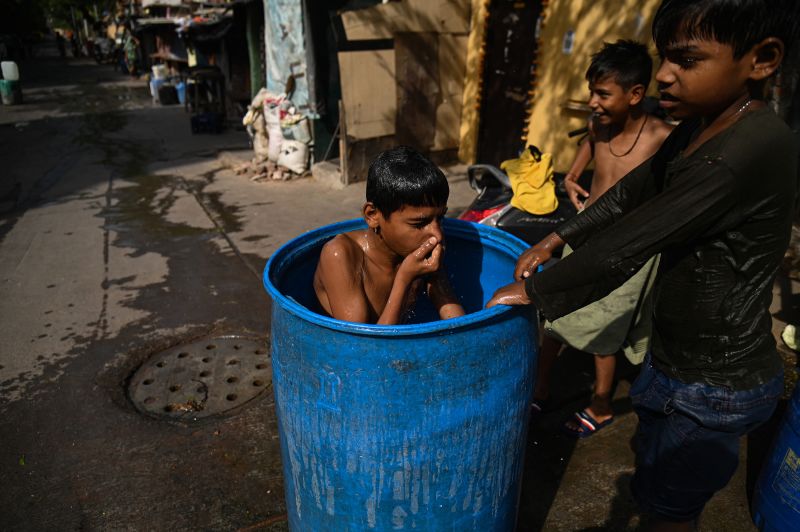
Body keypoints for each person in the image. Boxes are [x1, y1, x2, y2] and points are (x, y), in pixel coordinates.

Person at [488, 0, 798, 528]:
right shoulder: (702, 126)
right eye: (665, 59)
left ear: (762, 59)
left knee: (667, 513)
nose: (667, 77)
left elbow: (635, 236)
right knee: (655, 492)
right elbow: (631, 192)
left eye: (687, 60)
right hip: (676, 359)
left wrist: (539, 292)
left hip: (712, 385)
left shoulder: (744, 150)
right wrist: (558, 235)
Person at [532, 40, 673, 437]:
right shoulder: (598, 127)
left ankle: (601, 403)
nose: (592, 101)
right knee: (556, 316)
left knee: (603, 331)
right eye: (591, 91)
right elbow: (587, 147)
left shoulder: (662, 138)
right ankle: (540, 388)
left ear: (635, 94)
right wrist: (574, 177)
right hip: (585, 236)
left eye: (602, 93)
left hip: (628, 252)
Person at [314, 146, 465, 325]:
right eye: (419, 224)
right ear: (372, 215)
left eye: (440, 218)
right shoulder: (340, 254)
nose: (437, 235)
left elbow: (458, 325)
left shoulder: (418, 252)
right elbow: (363, 346)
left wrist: (436, 275)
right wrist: (404, 279)